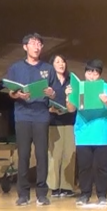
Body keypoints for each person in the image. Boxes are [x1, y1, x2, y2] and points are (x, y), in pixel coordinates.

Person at [5, 33, 61, 207]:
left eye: (39, 44)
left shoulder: (48, 68)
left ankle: (42, 194)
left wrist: (51, 93)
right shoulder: (16, 68)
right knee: (23, 155)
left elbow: (55, 92)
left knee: (42, 155)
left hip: (41, 115)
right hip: (22, 115)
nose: (36, 47)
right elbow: (10, 92)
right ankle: (23, 194)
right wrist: (17, 94)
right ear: (25, 47)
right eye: (33, 43)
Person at [73, 59, 107, 206]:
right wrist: (69, 97)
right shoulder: (80, 88)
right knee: (84, 166)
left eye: (95, 73)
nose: (92, 76)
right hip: (83, 133)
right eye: (89, 72)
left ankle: (102, 195)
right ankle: (84, 194)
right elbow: (71, 108)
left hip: (103, 133)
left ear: (99, 75)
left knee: (102, 167)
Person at [47, 54, 76, 198]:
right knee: (54, 155)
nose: (61, 64)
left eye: (63, 61)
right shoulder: (49, 81)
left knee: (69, 154)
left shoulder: (71, 80)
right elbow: (42, 100)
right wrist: (50, 109)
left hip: (70, 120)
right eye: (57, 62)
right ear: (52, 65)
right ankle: (53, 186)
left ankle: (67, 186)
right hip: (53, 122)